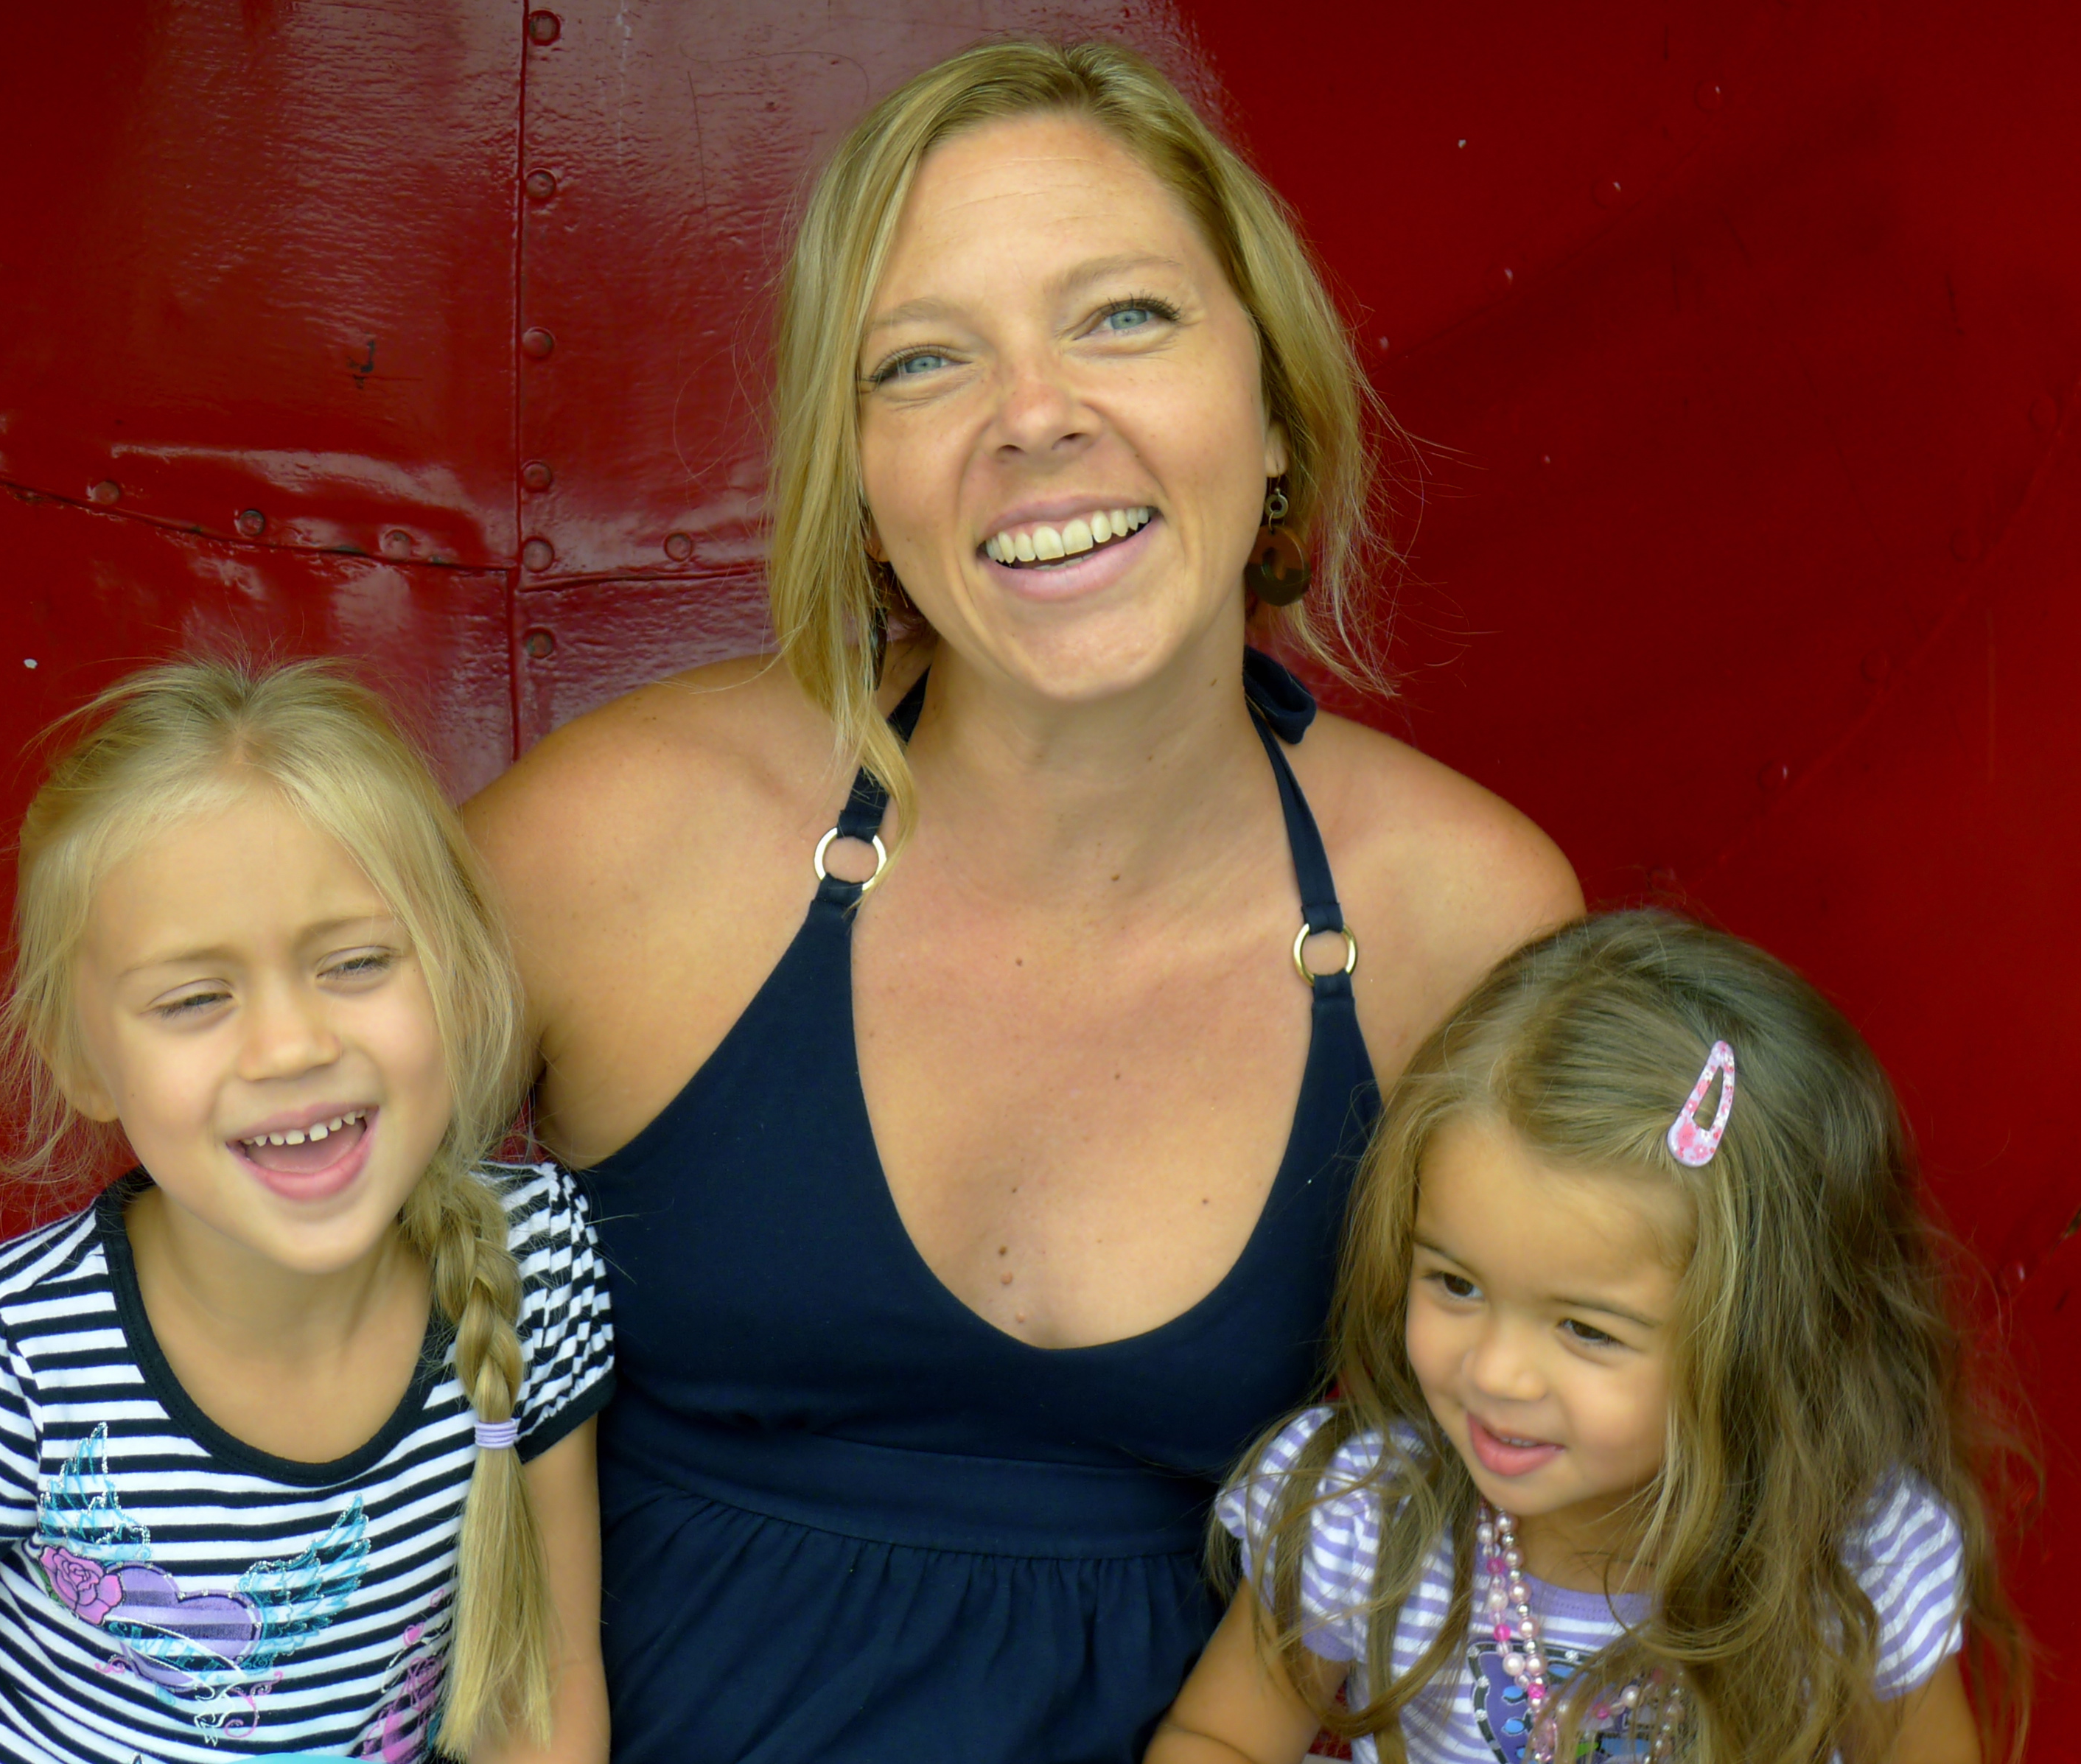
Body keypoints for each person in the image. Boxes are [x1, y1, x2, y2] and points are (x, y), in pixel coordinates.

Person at [467, 38, 1578, 1763]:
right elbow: (218, 1336)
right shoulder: (615, 844)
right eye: (921, 361)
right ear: (858, 488)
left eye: (1122, 316)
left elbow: (1602, 1509)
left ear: (1276, 418)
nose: (1034, 415)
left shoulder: (1463, 919)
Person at [0, 660, 614, 1763]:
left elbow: (543, 1686)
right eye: (194, 998)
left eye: (355, 963)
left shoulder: (531, 1261)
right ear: (81, 1059)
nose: (290, 1046)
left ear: (459, 980)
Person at [1148, 911, 2030, 1764]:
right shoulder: (1363, 1513)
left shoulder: (1851, 1564)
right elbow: (1219, 1740)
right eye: (1455, 1284)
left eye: (1584, 1330)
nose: (1496, 1372)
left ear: (1762, 1345)